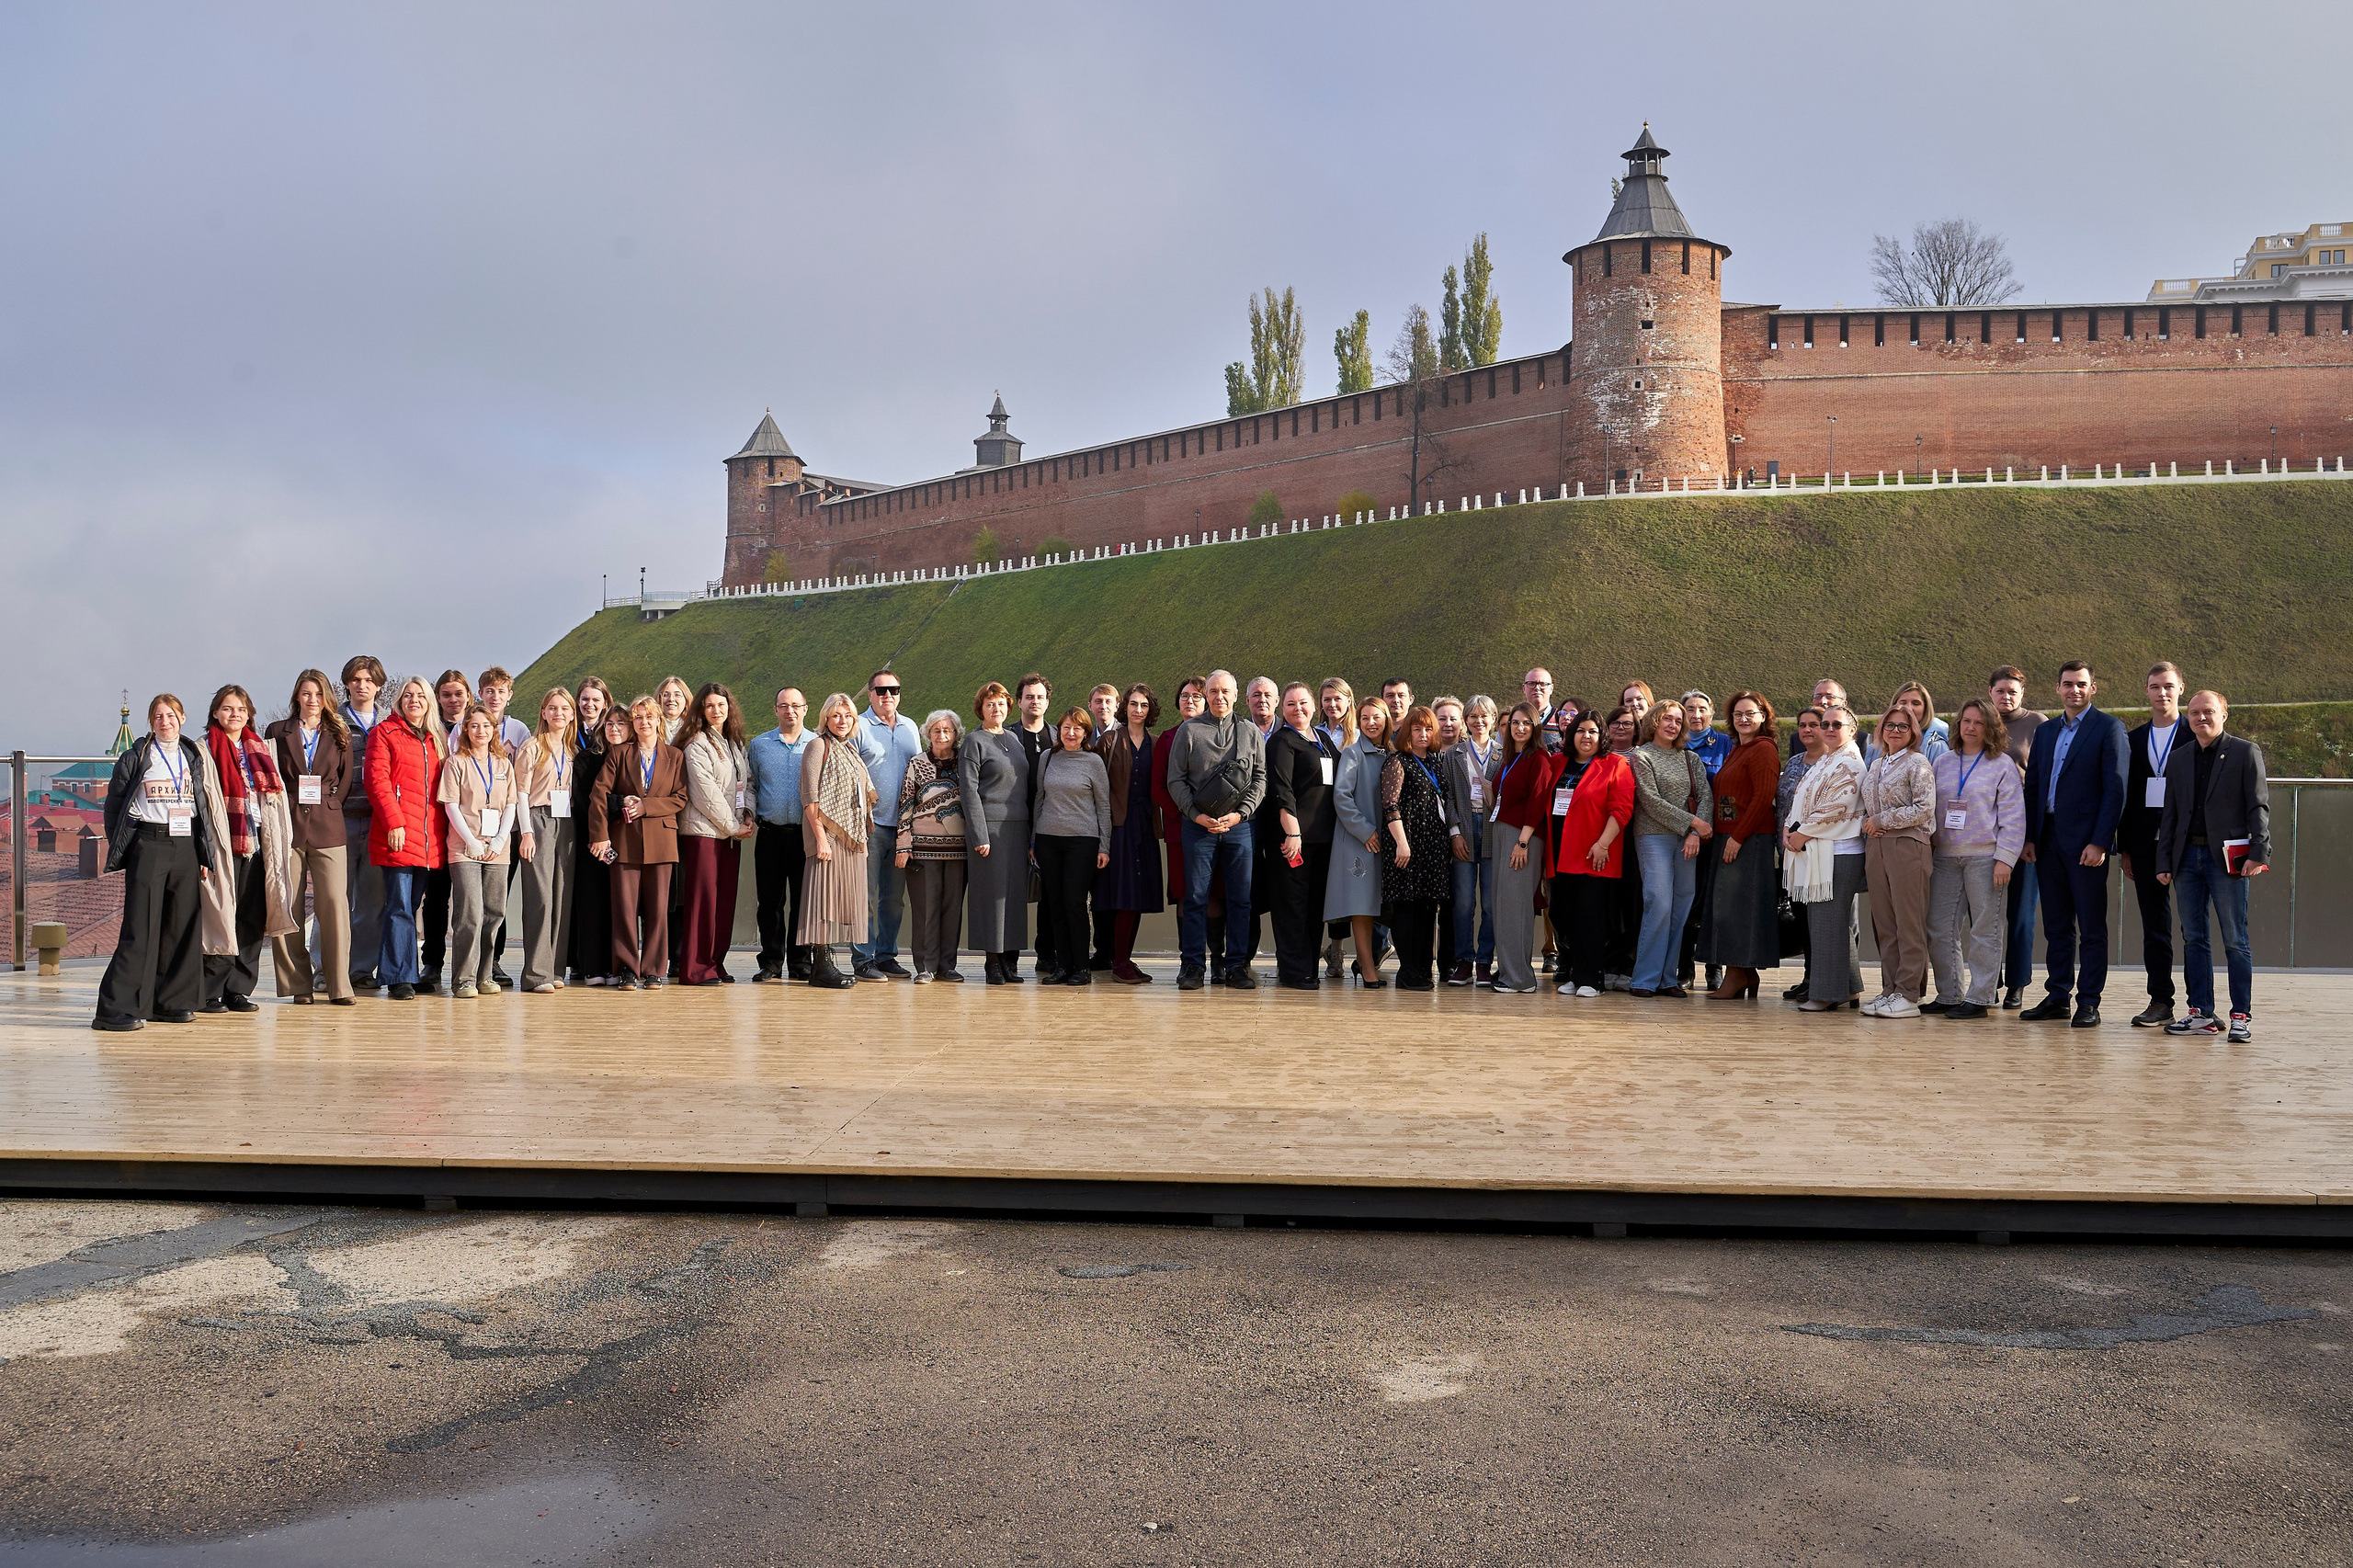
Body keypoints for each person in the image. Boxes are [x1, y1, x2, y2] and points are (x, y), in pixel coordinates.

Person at [92, 696, 216, 1031]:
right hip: (150, 842)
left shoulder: (193, 756)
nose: (165, 722)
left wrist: (203, 853)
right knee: (140, 926)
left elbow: (201, 806)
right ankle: (114, 1009)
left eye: (171, 715)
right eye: (158, 716)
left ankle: (170, 1001)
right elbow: (114, 808)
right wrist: (127, 848)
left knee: (182, 925)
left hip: (186, 843)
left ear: (183, 718)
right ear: (150, 722)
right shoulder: (135, 757)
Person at [2019, 661, 2129, 1028]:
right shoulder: (2047, 731)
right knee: (2056, 925)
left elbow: (2115, 791)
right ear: (2058, 688)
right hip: (2047, 840)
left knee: (2092, 926)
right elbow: (2033, 785)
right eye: (2068, 684)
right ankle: (2057, 996)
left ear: (2093, 688)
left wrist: (2100, 842)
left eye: (2081, 684)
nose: (2074, 690)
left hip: (2086, 846)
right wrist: (2030, 836)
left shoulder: (2109, 728)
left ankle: (2089, 1002)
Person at [2155, 690, 2269, 1043]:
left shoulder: (2244, 752)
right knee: (2194, 938)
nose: (2200, 718)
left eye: (2208, 712)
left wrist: (2258, 852)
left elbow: (2258, 807)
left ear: (2224, 715)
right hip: (2187, 858)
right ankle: (2201, 1012)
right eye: (2194, 713)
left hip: (2229, 860)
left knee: (2235, 939)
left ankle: (2240, 1016)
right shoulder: (2178, 758)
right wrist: (2164, 861)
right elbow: (2170, 814)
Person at [1925, 699, 2025, 1019]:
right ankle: (1950, 994)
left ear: (1990, 727)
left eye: (1978, 723)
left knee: (1985, 929)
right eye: (1966, 721)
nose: (1970, 727)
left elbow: (2013, 816)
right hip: (1945, 857)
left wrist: (2005, 859)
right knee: (1939, 927)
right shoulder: (1942, 762)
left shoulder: (2002, 765)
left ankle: (1980, 998)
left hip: (1985, 857)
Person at [1166, 670, 1267, 990]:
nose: (1219, 697)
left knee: (1241, 900)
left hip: (1240, 828)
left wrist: (1241, 814)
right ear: (1205, 695)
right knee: (1195, 898)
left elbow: (1260, 780)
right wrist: (1196, 815)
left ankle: (1237, 965)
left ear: (1237, 695)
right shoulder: (1189, 731)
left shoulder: (1250, 733)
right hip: (1198, 828)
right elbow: (1175, 780)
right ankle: (1193, 966)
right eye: (1213, 691)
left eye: (1225, 691)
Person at [200, 685, 291, 1014]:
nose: (234, 714)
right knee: (220, 914)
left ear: (248, 713)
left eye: (240, 708)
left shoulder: (262, 749)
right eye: (227, 708)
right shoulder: (204, 748)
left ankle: (238, 989)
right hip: (224, 842)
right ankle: (211, 989)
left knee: (252, 917)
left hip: (259, 839)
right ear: (215, 713)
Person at [266, 670, 355, 1006]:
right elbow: (270, 775)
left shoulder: (339, 732)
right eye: (306, 693)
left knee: (334, 903)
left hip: (328, 827)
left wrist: (329, 804)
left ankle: (338, 985)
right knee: (287, 905)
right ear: (297, 697)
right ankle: (297, 985)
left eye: (318, 694)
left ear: (327, 698)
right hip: (287, 827)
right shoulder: (277, 732)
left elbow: (343, 782)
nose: (312, 700)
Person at [587, 695, 688, 990]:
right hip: (624, 840)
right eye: (639, 718)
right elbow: (599, 795)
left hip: (661, 840)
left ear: (659, 721)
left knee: (658, 910)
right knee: (624, 909)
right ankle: (628, 969)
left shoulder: (674, 755)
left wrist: (647, 806)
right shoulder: (619, 754)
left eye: (650, 717)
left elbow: (680, 797)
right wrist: (600, 835)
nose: (644, 722)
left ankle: (655, 969)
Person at [367, 676, 449, 1001]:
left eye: (420, 696)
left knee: (412, 905)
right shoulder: (384, 733)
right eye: (408, 695)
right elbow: (377, 781)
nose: (414, 700)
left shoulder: (435, 739)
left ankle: (408, 971)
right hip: (398, 833)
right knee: (399, 906)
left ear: (429, 702)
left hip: (428, 837)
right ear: (398, 700)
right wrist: (394, 822)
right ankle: (399, 976)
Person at [1627, 699, 1713, 998]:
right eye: (1667, 719)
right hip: (1653, 837)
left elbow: (1705, 796)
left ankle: (1667, 978)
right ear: (1654, 721)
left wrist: (1695, 833)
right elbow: (1650, 801)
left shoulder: (1690, 759)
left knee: (1680, 908)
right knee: (1659, 903)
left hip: (1688, 842)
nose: (1673, 725)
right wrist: (1692, 823)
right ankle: (1644, 979)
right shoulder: (1641, 756)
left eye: (1678, 720)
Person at [1698, 690, 1780, 1001]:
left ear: (1763, 717)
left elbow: (1763, 797)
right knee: (1726, 908)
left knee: (1735, 910)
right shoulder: (1738, 749)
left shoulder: (1762, 750)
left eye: (1750, 713)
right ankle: (1744, 974)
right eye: (1737, 714)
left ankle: (1735, 975)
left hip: (1748, 840)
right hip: (1728, 837)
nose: (1743, 719)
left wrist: (1738, 837)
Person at [2119, 662, 2188, 1028]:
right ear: (2146, 691)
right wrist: (2125, 848)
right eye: (2154, 686)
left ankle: (2200, 1005)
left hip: (2188, 844)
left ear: (2180, 688)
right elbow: (2125, 797)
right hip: (2146, 847)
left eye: (2168, 686)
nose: (2162, 693)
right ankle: (2161, 1000)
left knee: (2194, 929)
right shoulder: (2132, 739)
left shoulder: (2196, 733)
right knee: (2155, 928)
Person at [1786, 704, 1866, 1013]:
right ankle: (1848, 988)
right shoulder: (1828, 759)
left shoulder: (1851, 763)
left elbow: (1838, 806)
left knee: (1826, 922)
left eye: (1837, 724)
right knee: (1831, 922)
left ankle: (1827, 993)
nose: (1829, 729)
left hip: (1839, 851)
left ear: (1851, 730)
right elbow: (1801, 798)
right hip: (1821, 850)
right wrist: (1788, 828)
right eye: (1826, 724)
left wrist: (1801, 834)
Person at [1859, 706, 1937, 1018]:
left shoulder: (1917, 763)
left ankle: (1908, 991)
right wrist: (1870, 821)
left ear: (1913, 732)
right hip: (1877, 846)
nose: (1895, 731)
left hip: (1908, 845)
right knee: (1885, 924)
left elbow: (1924, 808)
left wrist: (1881, 819)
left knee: (1909, 922)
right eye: (1889, 725)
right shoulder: (1876, 764)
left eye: (1903, 727)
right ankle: (1890, 988)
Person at [1550, 710, 1634, 996]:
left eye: (1593, 731)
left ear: (1602, 736)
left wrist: (1603, 844)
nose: (1587, 736)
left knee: (1591, 918)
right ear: (1571, 735)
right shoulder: (1556, 763)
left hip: (1594, 854)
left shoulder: (1615, 765)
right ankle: (1575, 973)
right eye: (1581, 731)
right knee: (1565, 916)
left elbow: (1621, 809)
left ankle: (1592, 979)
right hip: (1559, 853)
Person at [437, 702, 517, 1000]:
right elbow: (451, 805)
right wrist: (470, 840)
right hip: (464, 847)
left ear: (493, 730)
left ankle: (485, 975)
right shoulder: (456, 763)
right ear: (465, 730)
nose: (480, 731)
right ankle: (463, 980)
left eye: (486, 726)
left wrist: (498, 840)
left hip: (498, 848)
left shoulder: (503, 763)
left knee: (494, 913)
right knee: (470, 914)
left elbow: (510, 804)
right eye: (474, 726)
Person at [677, 682, 755, 986]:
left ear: (729, 708)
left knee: (724, 902)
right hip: (704, 833)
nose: (716, 710)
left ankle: (715, 962)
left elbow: (747, 783)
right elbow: (705, 793)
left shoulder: (734, 743)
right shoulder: (696, 745)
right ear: (701, 709)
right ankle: (696, 968)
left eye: (721, 705)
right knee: (703, 902)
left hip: (732, 834)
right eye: (709, 705)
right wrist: (732, 825)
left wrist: (747, 815)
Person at [800, 692, 878, 989]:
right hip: (828, 837)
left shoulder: (850, 751)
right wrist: (820, 838)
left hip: (851, 839)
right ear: (826, 719)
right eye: (836, 715)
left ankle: (829, 961)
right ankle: (821, 965)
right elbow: (810, 796)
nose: (842, 721)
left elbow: (861, 800)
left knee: (842, 902)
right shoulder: (817, 746)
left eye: (847, 716)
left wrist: (863, 839)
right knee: (824, 901)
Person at [1265, 681, 1337, 991]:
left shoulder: (1321, 738)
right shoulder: (1281, 742)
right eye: (1291, 704)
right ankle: (1294, 971)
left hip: (1324, 839)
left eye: (1304, 702)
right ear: (1283, 708)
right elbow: (1281, 791)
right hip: (1294, 839)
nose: (1298, 709)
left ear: (1313, 705)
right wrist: (1292, 832)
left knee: (1314, 907)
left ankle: (1308, 967)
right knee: (1292, 905)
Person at [1031, 707, 1112, 985]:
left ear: (1086, 732)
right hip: (1048, 840)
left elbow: (1103, 806)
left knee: (1074, 902)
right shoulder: (1047, 758)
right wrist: (1033, 839)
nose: (1071, 733)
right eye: (1066, 727)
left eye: (1077, 728)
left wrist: (1105, 846)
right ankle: (1062, 966)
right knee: (1054, 904)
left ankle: (1081, 967)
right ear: (1059, 730)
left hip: (1083, 841)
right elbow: (1039, 799)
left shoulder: (1093, 762)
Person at [961, 681, 1034, 985]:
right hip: (989, 829)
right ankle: (992, 961)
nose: (997, 708)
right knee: (991, 898)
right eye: (990, 704)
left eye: (1002, 703)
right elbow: (969, 791)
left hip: (1017, 830)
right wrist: (979, 835)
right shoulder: (974, 742)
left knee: (1013, 897)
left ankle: (1009, 962)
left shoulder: (1015, 740)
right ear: (981, 708)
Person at [1487, 702, 1562, 994]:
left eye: (1526, 723)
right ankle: (1508, 972)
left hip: (1523, 838)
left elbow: (1538, 801)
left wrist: (1523, 842)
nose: (1519, 728)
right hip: (1504, 832)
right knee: (1503, 907)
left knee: (1516, 908)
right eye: (1514, 723)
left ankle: (1520, 978)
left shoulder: (1539, 758)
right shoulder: (1509, 758)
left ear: (1535, 727)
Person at [1091, 684, 1164, 984]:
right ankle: (1118, 962)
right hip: (1117, 828)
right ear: (1125, 708)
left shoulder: (1156, 743)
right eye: (1133, 704)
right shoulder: (1109, 741)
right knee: (1123, 896)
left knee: (1139, 896)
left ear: (1150, 711)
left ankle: (1124, 958)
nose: (1138, 710)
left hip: (1145, 826)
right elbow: (1093, 788)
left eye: (1143, 705)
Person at [851, 669, 920, 981]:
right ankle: (863, 960)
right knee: (863, 896)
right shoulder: (859, 726)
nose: (887, 696)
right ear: (869, 695)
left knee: (893, 899)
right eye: (881, 691)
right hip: (869, 826)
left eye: (893, 690)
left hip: (903, 826)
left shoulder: (910, 727)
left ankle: (887, 955)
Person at [1379, 705, 1452, 991]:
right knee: (1406, 909)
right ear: (1407, 732)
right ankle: (1407, 972)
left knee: (1427, 910)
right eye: (1417, 728)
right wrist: (1401, 843)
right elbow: (1390, 805)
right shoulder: (1397, 761)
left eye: (1428, 729)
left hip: (1433, 848)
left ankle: (1423, 969)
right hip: (1406, 846)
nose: (1423, 734)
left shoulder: (1435, 762)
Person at [893, 710, 969, 983]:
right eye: (936, 730)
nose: (942, 735)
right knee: (925, 908)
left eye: (947, 730)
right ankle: (925, 967)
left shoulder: (966, 762)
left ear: (956, 734)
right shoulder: (917, 763)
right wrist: (903, 844)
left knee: (952, 908)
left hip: (960, 850)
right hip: (922, 850)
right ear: (928, 734)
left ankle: (947, 965)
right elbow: (905, 804)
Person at [512, 687, 578, 994]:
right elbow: (521, 793)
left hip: (566, 822)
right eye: (552, 708)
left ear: (572, 714)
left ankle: (554, 968)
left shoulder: (571, 750)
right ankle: (536, 974)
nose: (558, 714)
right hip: (538, 819)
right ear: (543, 712)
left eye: (564, 709)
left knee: (561, 895)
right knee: (540, 897)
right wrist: (526, 831)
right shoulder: (532, 747)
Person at [1987, 666, 2047, 1008]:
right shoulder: (1981, 722)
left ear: (2022, 694)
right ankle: (1989, 979)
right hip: (1983, 830)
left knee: (2021, 913)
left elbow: (2040, 780)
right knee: (1986, 913)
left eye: (2012, 691)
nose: (2006, 697)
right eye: (2000, 691)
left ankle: (2017, 984)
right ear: (1990, 692)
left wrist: (2032, 836)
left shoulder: (2037, 723)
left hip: (2022, 831)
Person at [748, 687, 814, 982]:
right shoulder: (759, 745)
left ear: (805, 709)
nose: (790, 711)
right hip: (770, 835)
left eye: (795, 706)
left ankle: (801, 962)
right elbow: (750, 786)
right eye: (784, 706)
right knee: (770, 902)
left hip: (806, 836)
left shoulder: (817, 744)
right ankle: (771, 962)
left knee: (804, 901)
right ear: (775, 710)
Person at [417, 668, 473, 992]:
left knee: (475, 901)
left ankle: (479, 964)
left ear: (468, 696)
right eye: (446, 694)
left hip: (475, 824)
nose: (453, 700)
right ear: (438, 699)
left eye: (458, 693)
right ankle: (432, 963)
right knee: (436, 898)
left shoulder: (478, 728)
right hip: (439, 824)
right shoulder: (432, 731)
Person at [1327, 696, 1389, 987]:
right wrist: (1366, 831)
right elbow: (1341, 798)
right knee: (1362, 907)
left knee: (1381, 905)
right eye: (1364, 718)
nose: (1371, 722)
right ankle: (1367, 969)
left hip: (1389, 841)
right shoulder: (1352, 754)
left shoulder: (1393, 753)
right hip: (1360, 840)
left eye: (1376, 717)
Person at [476, 666, 531, 987]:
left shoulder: (520, 731)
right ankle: (471, 959)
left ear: (510, 696)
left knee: (498, 897)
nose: (495, 697)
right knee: (472, 899)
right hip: (472, 824)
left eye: (501, 691)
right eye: (489, 691)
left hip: (504, 825)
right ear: (480, 694)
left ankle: (493, 960)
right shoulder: (469, 726)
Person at [336, 655, 388, 992]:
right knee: (335, 898)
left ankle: (360, 969)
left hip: (379, 821)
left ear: (379, 685)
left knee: (371, 901)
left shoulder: (390, 721)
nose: (361, 685)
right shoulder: (334, 721)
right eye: (355, 679)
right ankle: (328, 967)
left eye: (368, 680)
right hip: (339, 819)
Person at [1440, 695, 1499, 986]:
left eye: (1483, 716)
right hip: (1464, 828)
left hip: (1491, 830)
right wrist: (1454, 832)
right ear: (1466, 721)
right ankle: (1464, 960)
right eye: (1472, 716)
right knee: (1463, 903)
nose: (1478, 721)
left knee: (1490, 903)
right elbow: (1447, 795)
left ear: (1493, 718)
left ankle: (1485, 962)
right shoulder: (1453, 754)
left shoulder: (1503, 753)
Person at [570, 702, 627, 985]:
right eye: (610, 725)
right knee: (591, 903)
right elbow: (584, 801)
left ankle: (615, 965)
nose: (615, 729)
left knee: (619, 906)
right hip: (591, 841)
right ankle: (591, 966)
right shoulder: (587, 759)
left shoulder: (634, 757)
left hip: (625, 840)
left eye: (621, 724)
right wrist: (618, 806)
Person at [1153, 677, 1208, 959]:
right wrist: (1185, 813)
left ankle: (1219, 957)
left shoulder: (1219, 735)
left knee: (1215, 893)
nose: (1190, 701)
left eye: (1197, 696)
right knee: (1184, 892)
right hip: (1180, 828)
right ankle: (1189, 957)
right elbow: (1159, 787)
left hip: (1214, 828)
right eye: (1185, 696)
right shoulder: (1168, 738)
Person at [1775, 707, 1826, 1000]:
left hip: (1818, 852)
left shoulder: (1833, 764)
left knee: (1819, 919)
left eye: (1814, 725)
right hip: (1790, 853)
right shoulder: (1794, 762)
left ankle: (1822, 977)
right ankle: (1809, 976)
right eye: (1802, 725)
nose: (1807, 730)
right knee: (1802, 916)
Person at [1012, 673, 1056, 977]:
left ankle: (1046, 954)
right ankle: (1009, 955)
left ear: (1047, 701)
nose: (1035, 701)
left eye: (1040, 696)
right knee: (1013, 890)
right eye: (1029, 696)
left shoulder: (1058, 735)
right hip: (1012, 822)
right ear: (1018, 702)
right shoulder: (1006, 735)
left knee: (1050, 891)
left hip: (1049, 823)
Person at [1313, 679, 1358, 978]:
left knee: (1341, 889)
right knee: (1317, 886)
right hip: (1317, 819)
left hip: (1347, 820)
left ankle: (1337, 950)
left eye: (1337, 699)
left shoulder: (1355, 735)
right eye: (1327, 699)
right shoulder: (1314, 734)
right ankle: (1310, 947)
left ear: (1348, 701)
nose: (1332, 705)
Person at [1601, 703, 1644, 988]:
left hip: (1636, 836)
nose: (1620, 727)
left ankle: (1628, 962)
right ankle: (1608, 962)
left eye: (1627, 723)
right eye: (1615, 723)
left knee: (1633, 901)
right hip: (1604, 837)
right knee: (1608, 903)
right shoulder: (1599, 758)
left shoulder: (1643, 757)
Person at [1867, 681, 1950, 763]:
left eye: (1916, 703)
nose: (1909, 708)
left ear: (1926, 709)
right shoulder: (1876, 748)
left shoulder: (1936, 747)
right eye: (1903, 703)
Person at [655, 676, 693, 744]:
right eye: (665, 695)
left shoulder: (693, 729)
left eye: (677, 695)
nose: (671, 699)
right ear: (658, 699)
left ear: (686, 700)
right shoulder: (650, 727)